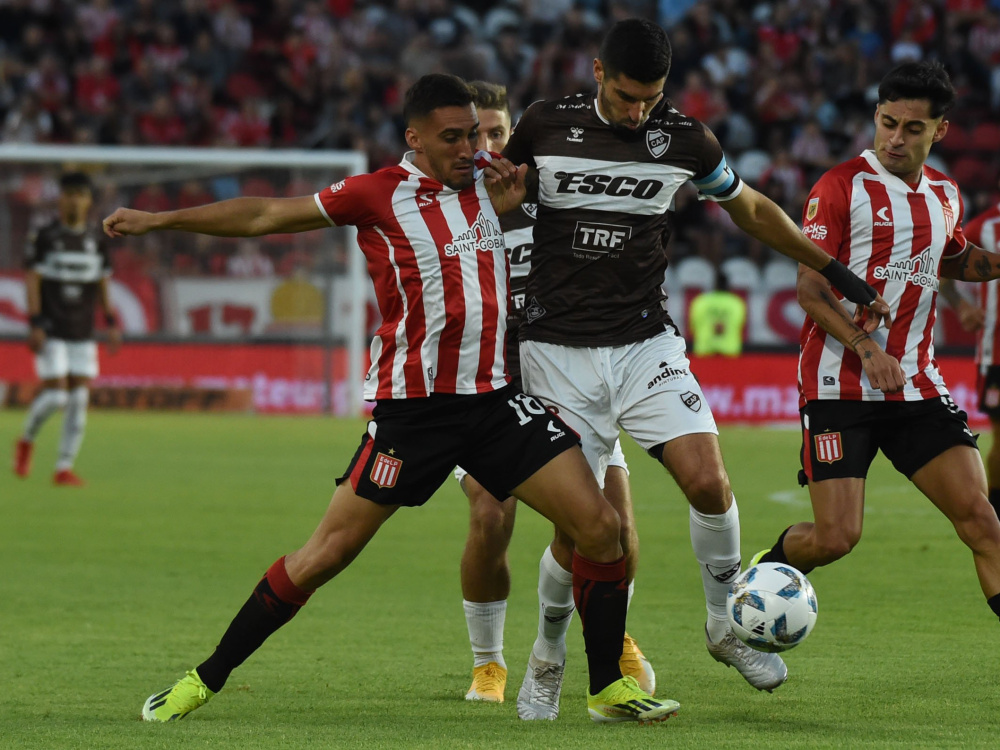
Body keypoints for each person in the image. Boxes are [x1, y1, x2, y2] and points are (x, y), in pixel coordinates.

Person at [102, 73, 678, 726]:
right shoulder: (376, 194)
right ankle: (203, 679)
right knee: (324, 556)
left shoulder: (493, 184)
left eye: (473, 134)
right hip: (414, 415)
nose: (468, 149)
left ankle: (606, 688)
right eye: (451, 137)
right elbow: (265, 215)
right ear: (416, 138)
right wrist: (161, 220)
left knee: (601, 528)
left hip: (494, 403)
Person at [492, 18, 890, 711]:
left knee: (709, 481)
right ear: (597, 72)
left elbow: (751, 209)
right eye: (625, 97)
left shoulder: (684, 138)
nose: (636, 112)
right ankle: (548, 654)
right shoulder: (543, 124)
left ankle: (724, 625)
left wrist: (837, 273)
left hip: (644, 340)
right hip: (554, 351)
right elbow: (502, 203)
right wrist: (505, 206)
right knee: (579, 529)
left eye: (650, 98)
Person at [752, 62, 1000, 635]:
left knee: (982, 521)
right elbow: (810, 290)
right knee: (836, 538)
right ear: (876, 116)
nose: (895, 138)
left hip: (916, 385)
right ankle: (761, 576)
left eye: (913, 128)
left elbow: (955, 260)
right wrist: (866, 346)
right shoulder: (840, 187)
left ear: (939, 130)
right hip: (839, 385)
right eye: (888, 122)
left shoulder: (944, 194)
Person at [455, 81, 654, 711]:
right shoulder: (453, 210)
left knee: (615, 524)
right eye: (476, 135)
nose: (488, 147)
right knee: (491, 513)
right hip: (492, 388)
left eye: (498, 133)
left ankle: (610, 632)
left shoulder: (552, 194)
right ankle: (488, 662)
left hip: (572, 374)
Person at [13, 171, 121, 486]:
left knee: (78, 400)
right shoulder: (45, 236)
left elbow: (103, 283)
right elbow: (32, 280)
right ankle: (26, 440)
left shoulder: (96, 240)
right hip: (51, 328)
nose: (74, 200)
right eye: (69, 193)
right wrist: (35, 322)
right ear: (60, 198)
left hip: (82, 331)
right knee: (57, 396)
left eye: (80, 194)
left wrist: (111, 321)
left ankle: (63, 467)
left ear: (88, 201)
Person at [941, 202, 1000, 518]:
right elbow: (940, 266)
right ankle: (997, 516)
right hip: (997, 353)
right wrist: (962, 306)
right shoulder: (985, 226)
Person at [688, 269, 747, 357]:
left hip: (704, 352)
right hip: (730, 353)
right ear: (728, 285)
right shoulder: (736, 303)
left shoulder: (701, 301)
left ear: (714, 284)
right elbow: (740, 326)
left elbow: (692, 326)